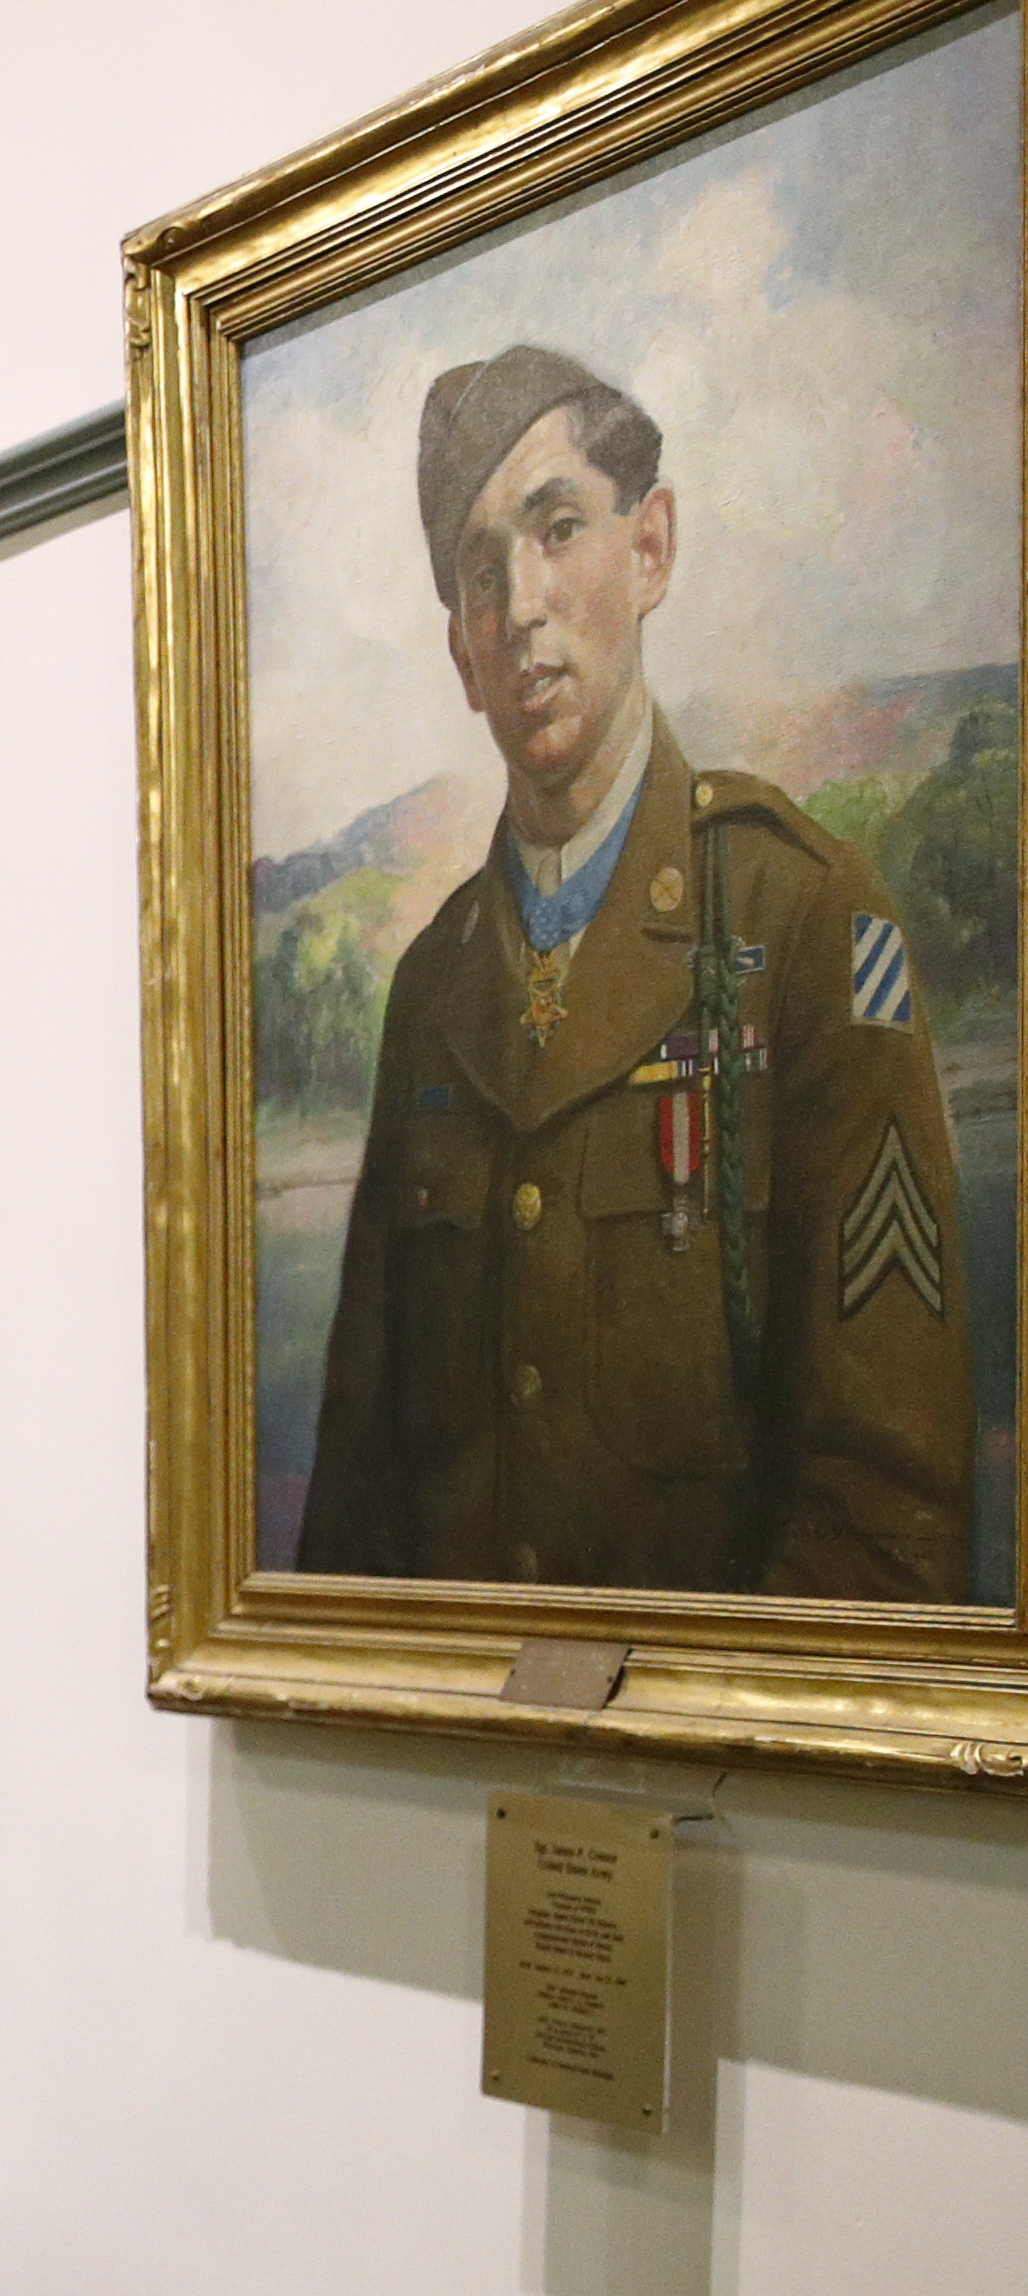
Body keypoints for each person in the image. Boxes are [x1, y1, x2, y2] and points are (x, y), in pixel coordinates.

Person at [299, 344, 968, 1597]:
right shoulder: (431, 993)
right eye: (481, 572)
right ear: (458, 649)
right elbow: (355, 1502)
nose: (523, 606)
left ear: (650, 549)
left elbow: (887, 1513)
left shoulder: (805, 922)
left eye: (559, 530)